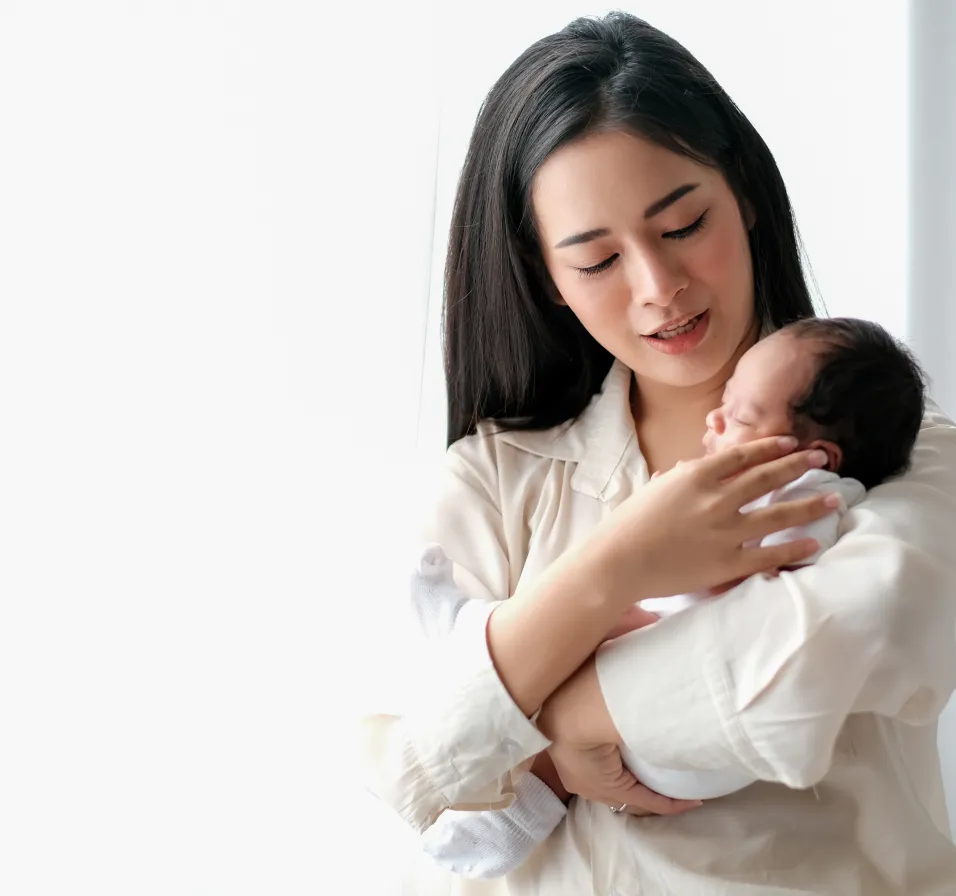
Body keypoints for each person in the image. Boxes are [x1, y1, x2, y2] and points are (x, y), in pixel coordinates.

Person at [358, 12, 956, 895]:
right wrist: (620, 563)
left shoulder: (909, 457)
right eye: (597, 260)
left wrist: (553, 724)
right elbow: (419, 782)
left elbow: (820, 660)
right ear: (546, 278)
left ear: (743, 194)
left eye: (682, 226)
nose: (658, 286)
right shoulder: (492, 482)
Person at [406, 316, 929, 878]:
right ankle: (493, 822)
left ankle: (471, 632)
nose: (715, 420)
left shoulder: (807, 496)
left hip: (688, 734)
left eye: (740, 418)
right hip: (683, 750)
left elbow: (769, 592)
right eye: (725, 403)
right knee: (565, 683)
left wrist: (653, 552)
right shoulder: (490, 467)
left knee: (577, 635)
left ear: (816, 457)